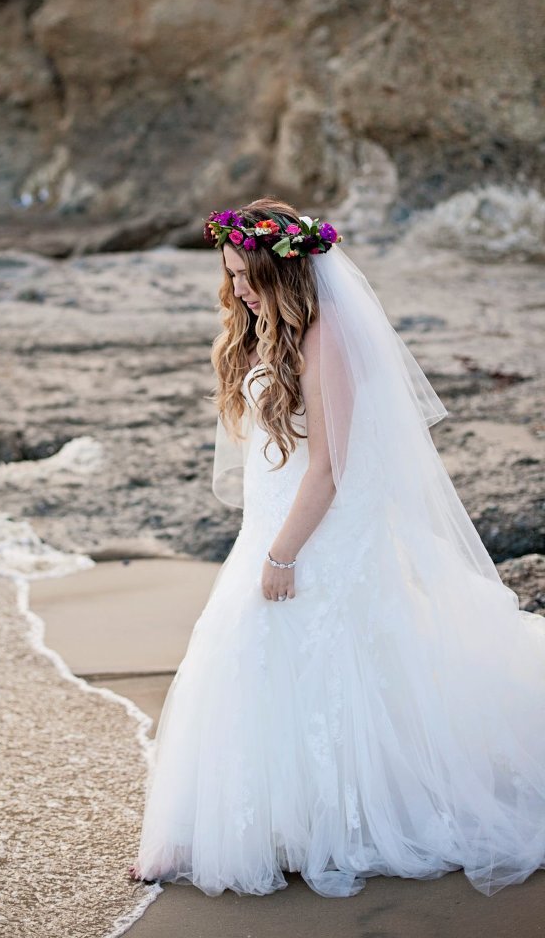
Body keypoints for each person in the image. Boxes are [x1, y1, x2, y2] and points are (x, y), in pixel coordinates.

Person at [128, 196, 545, 899]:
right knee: (247, 657)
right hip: (272, 523)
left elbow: (331, 466)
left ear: (282, 273)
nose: (238, 289)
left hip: (315, 532)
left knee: (290, 653)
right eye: (231, 275)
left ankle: (321, 822)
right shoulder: (265, 331)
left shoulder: (325, 341)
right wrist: (267, 540)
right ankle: (228, 826)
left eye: (248, 276)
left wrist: (283, 554)